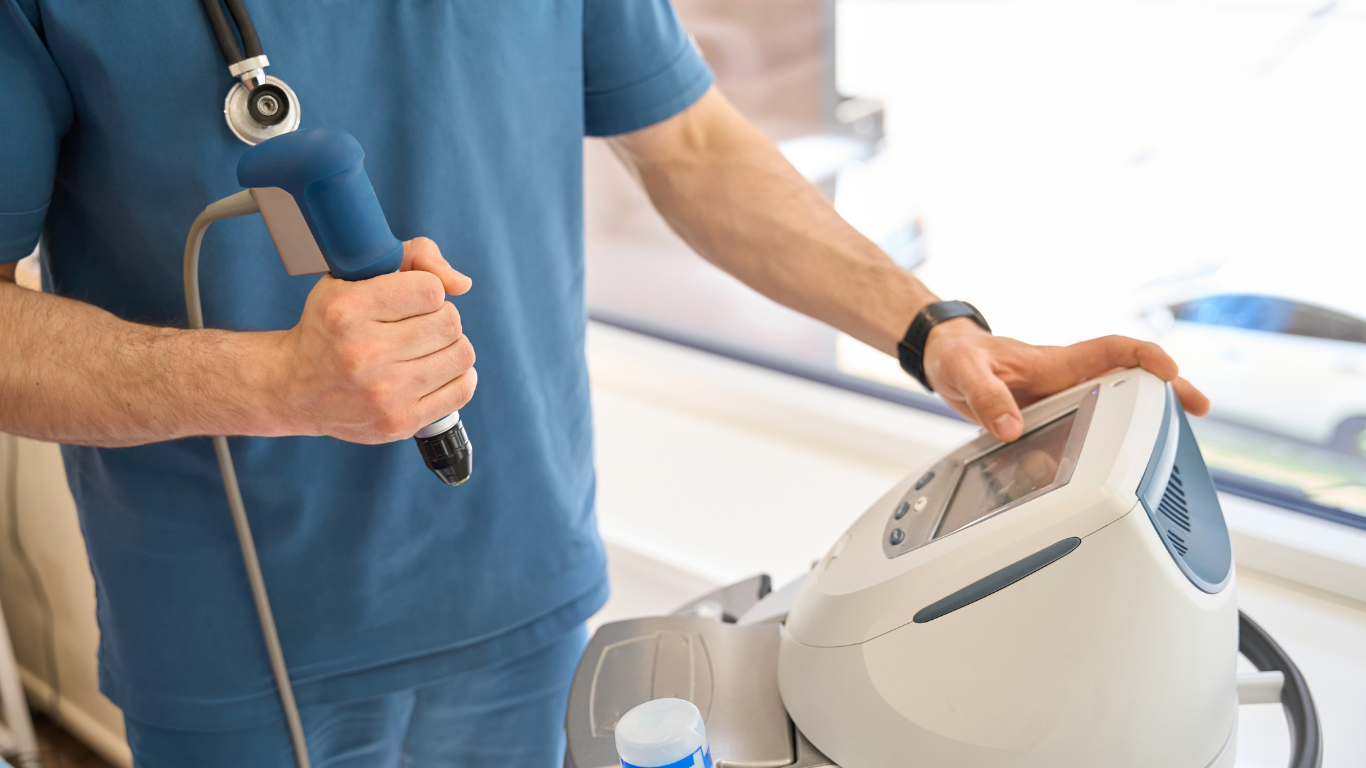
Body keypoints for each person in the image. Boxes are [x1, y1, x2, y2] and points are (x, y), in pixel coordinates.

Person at [0, 1, 1209, 766]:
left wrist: (931, 328)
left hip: (522, 595)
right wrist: (269, 381)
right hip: (239, 641)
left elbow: (689, 142)